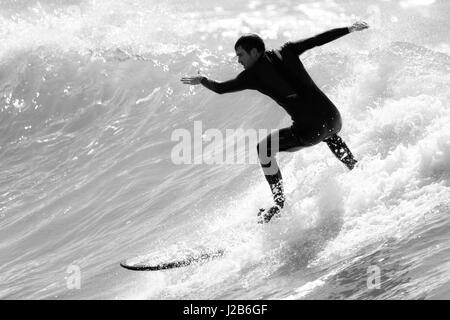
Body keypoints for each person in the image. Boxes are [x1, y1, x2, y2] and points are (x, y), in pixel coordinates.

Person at [181, 21, 369, 223]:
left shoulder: (251, 76)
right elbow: (317, 40)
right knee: (329, 134)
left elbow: (220, 88)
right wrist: (348, 29)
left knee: (264, 149)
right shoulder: (287, 51)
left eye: (240, 55)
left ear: (254, 52)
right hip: (334, 118)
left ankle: (279, 204)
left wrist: (202, 80)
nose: (238, 61)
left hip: (310, 131)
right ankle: (356, 168)